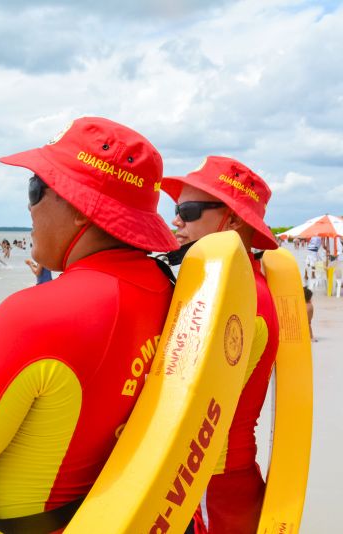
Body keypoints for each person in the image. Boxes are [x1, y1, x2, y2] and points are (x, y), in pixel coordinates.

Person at [0, 117, 179, 533]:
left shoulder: (33, 317)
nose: (29, 207)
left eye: (36, 189)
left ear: (80, 207)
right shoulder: (172, 292)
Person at [162, 155, 280, 533]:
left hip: (212, 482)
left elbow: (186, 400)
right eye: (176, 210)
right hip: (223, 478)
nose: (176, 221)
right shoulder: (244, 283)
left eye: (189, 211)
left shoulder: (236, 297)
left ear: (232, 220)